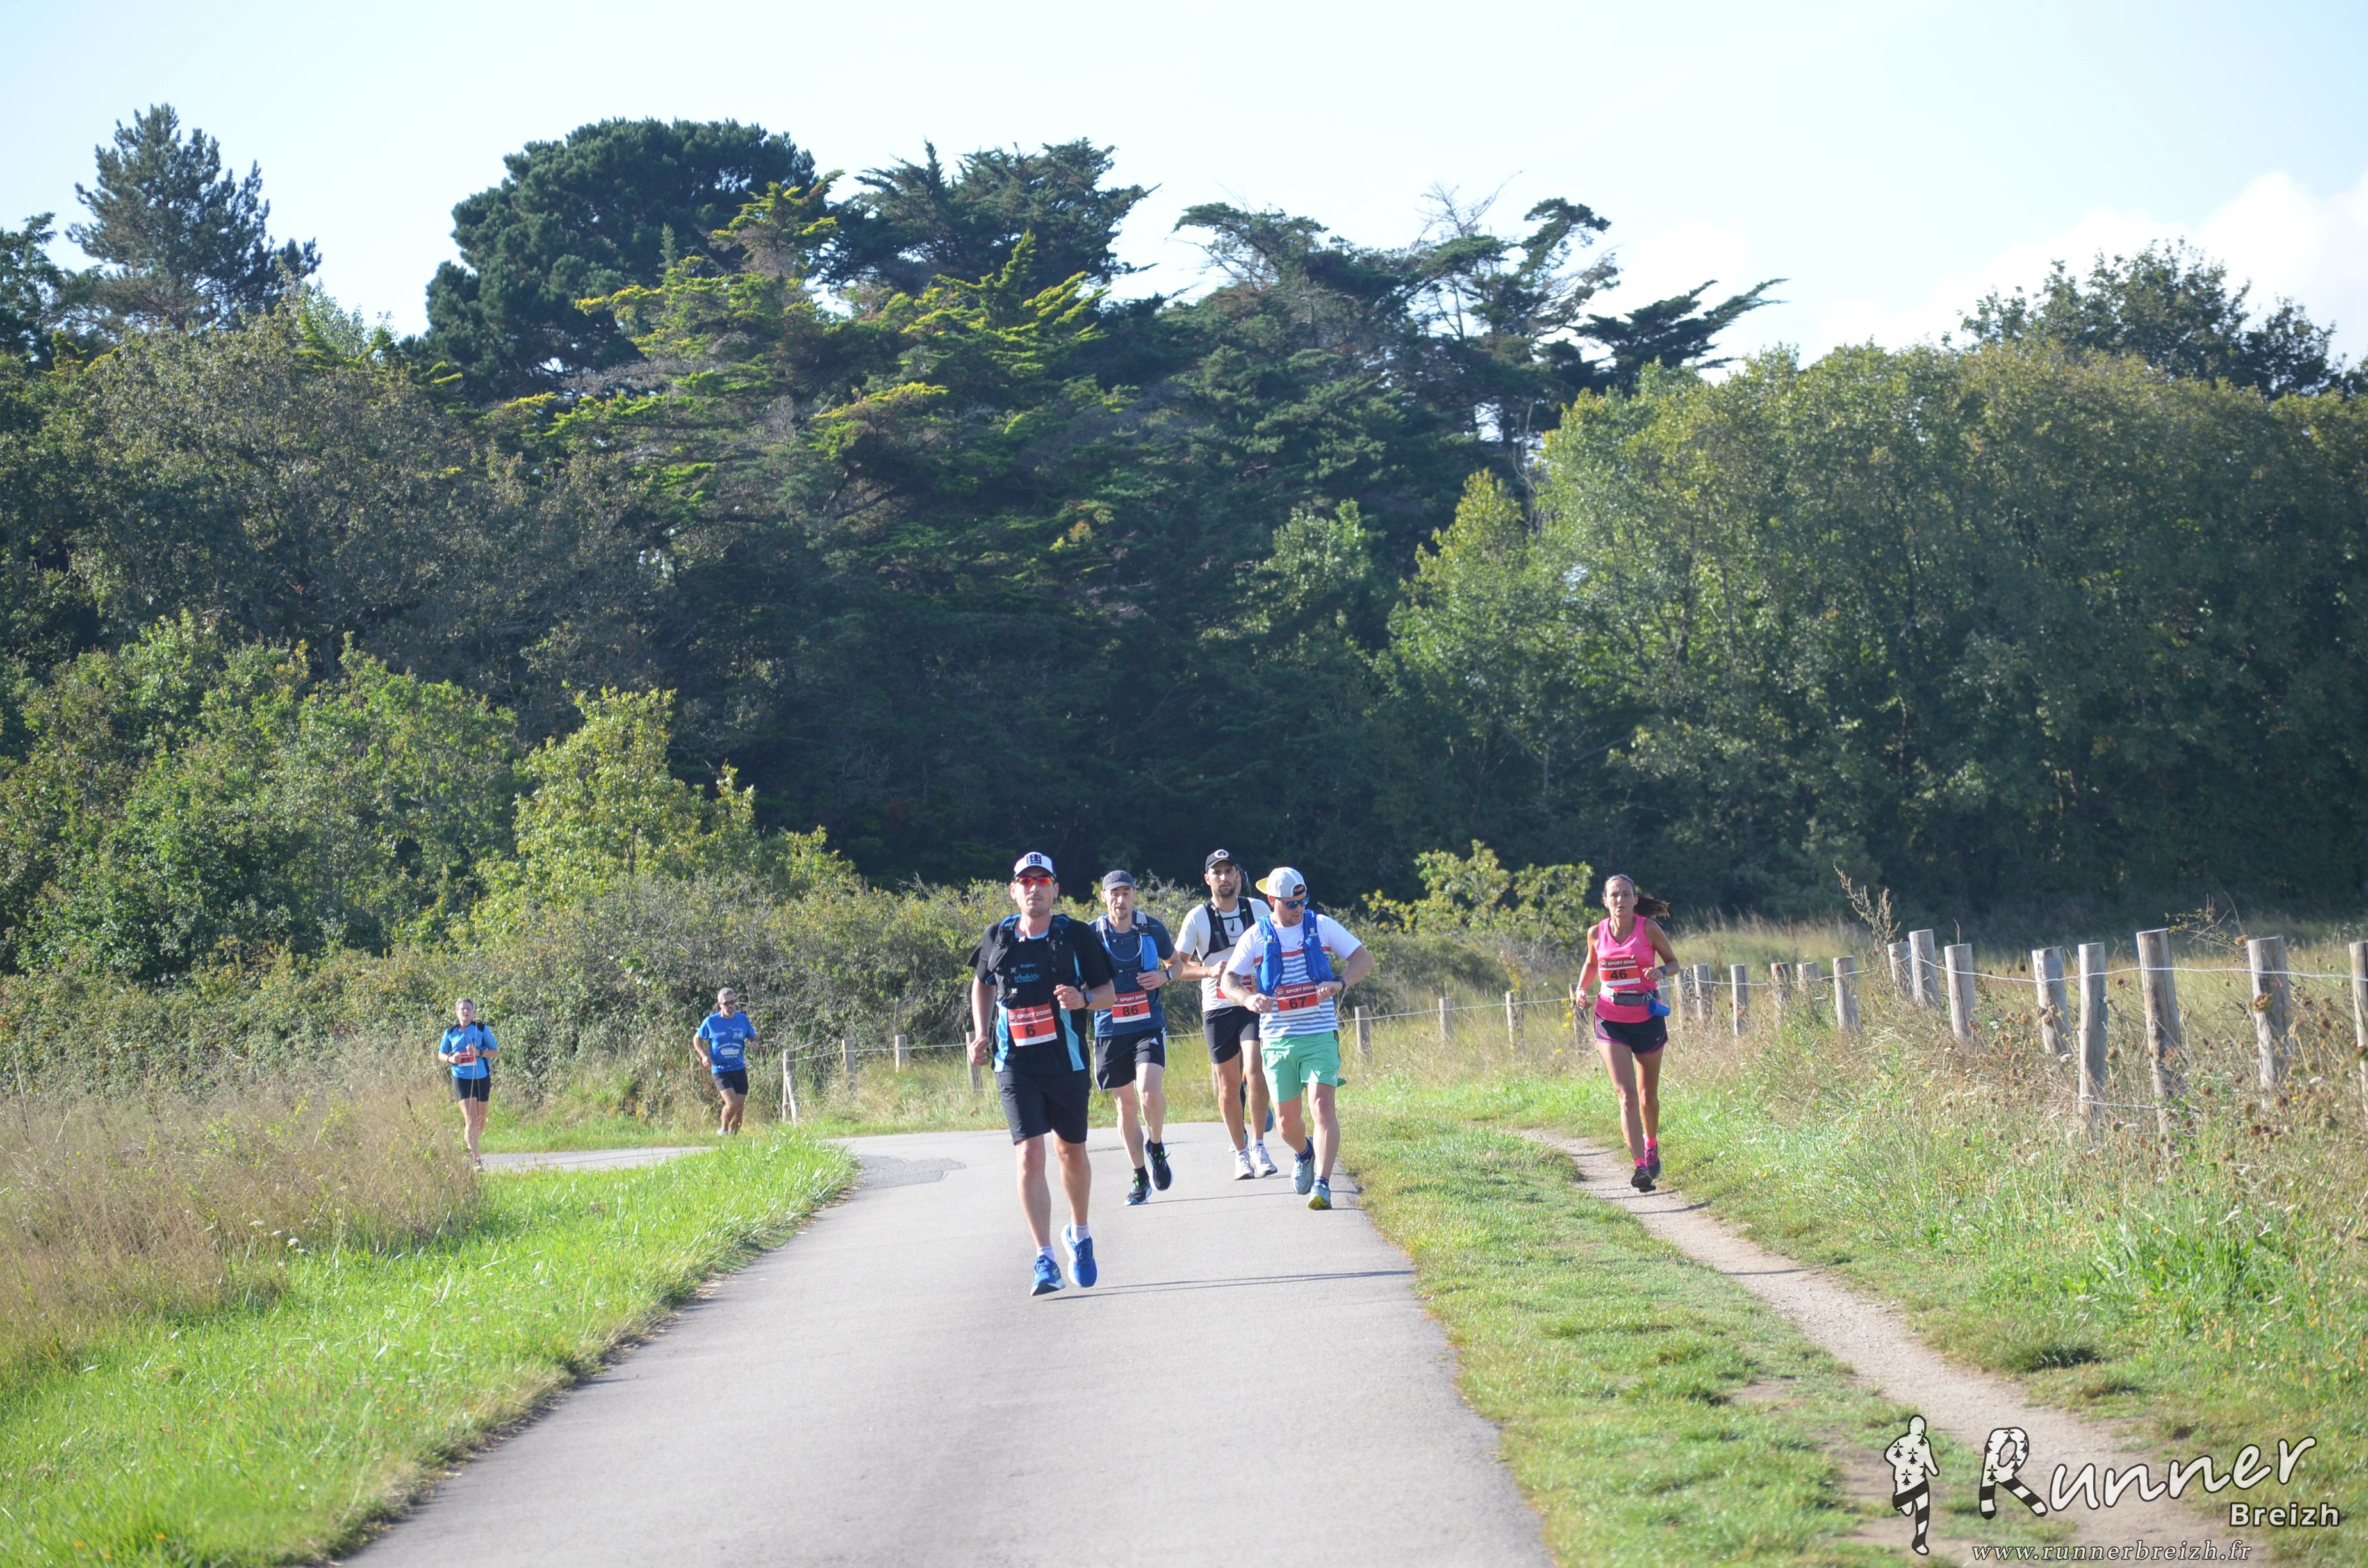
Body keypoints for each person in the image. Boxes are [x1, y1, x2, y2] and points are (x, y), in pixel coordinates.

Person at [968, 852, 1119, 1296]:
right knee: (1029, 1155)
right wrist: (981, 1033)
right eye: (1026, 881)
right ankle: (1044, 1258)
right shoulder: (998, 935)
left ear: (1056, 890)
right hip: (1015, 1064)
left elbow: (1109, 993)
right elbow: (982, 983)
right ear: (1014, 890)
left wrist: (1083, 1000)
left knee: (1070, 1152)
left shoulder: (1075, 935)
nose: (1034, 888)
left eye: (1042, 881)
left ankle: (1080, 1233)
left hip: (1065, 1061)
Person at [1219, 867, 1374, 1211]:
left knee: (1322, 1106)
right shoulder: (1257, 936)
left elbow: (1364, 960)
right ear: (1272, 900)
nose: (1299, 909)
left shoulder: (1321, 926)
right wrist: (1247, 999)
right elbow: (1229, 980)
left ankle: (1323, 1184)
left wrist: (1340, 982)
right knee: (1287, 1124)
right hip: (1277, 1040)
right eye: (1291, 904)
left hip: (1319, 1033)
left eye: (1303, 902)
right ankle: (1304, 1152)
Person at [1172, 849, 1278, 1180]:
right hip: (1217, 1008)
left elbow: (1277, 947)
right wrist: (1208, 971)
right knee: (1228, 1086)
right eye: (1217, 873)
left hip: (1252, 1003)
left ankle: (1260, 1146)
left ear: (1238, 876)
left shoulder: (1258, 910)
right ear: (1208, 879)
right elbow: (1175, 967)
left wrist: (1266, 976)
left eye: (1229, 871)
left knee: (1255, 1069)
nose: (1224, 878)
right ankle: (1241, 1152)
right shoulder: (1197, 917)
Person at [1575, 874, 1681, 1192]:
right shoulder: (1596, 933)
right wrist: (1582, 989)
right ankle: (1640, 1167)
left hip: (1646, 1018)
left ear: (1635, 900)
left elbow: (1674, 963)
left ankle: (1651, 1144)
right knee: (1627, 1096)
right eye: (1614, 895)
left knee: (1647, 1097)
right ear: (1605, 901)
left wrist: (1660, 971)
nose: (1620, 900)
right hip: (1610, 1019)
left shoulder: (1648, 929)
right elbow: (1591, 964)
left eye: (1625, 894)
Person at [1092, 870, 1177, 1205]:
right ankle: (1140, 1175)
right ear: (1104, 897)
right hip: (1110, 1030)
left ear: (1134, 895)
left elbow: (1177, 964)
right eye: (1114, 893)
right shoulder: (1092, 935)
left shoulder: (1152, 928)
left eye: (1126, 892)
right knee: (1125, 1106)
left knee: (1149, 1093)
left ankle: (1155, 1145)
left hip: (1147, 1025)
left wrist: (1164, 976)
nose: (1120, 899)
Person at [437, 997, 498, 1161]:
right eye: (462, 1009)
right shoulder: (450, 1032)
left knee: (480, 1121)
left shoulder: (482, 1029)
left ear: (473, 1012)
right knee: (471, 1119)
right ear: (456, 1012)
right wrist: (451, 1059)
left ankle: (470, 1146)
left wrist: (479, 1053)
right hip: (461, 1078)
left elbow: (495, 1051)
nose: (465, 1012)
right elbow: (441, 1054)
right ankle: (476, 1158)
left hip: (481, 1077)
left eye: (469, 1009)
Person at [693, 988, 759, 1136]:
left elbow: (753, 1036)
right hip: (721, 1070)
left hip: (739, 1069)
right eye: (726, 1003)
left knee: (740, 1108)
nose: (730, 1006)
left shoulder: (742, 1019)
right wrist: (704, 1056)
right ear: (719, 1005)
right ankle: (723, 1130)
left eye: (732, 1002)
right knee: (732, 1104)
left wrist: (754, 1043)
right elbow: (697, 1039)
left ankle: (733, 1139)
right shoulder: (711, 1022)